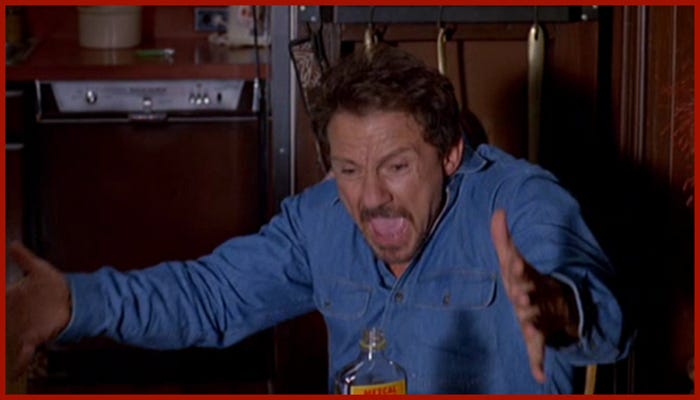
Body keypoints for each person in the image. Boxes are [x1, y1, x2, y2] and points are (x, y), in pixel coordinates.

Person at [6, 45, 633, 394]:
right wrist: (73, 303)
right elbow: (209, 296)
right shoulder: (319, 220)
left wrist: (561, 308)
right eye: (349, 169)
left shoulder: (521, 202)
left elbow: (609, 320)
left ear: (449, 155)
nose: (370, 198)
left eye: (395, 167)